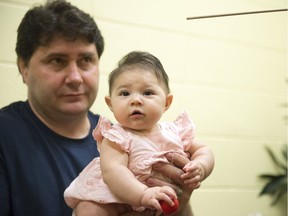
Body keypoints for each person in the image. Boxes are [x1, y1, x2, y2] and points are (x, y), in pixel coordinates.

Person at [0, 1, 201, 216]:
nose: (75, 78)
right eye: (57, 60)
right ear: (24, 67)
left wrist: (178, 201)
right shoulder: (6, 136)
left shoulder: (127, 136)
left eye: (86, 60)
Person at [64, 51, 215, 216]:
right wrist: (143, 194)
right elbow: (113, 171)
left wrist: (200, 166)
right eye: (125, 93)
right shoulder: (117, 137)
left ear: (166, 102)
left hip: (158, 201)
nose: (135, 100)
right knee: (89, 209)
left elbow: (203, 151)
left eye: (147, 93)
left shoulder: (175, 132)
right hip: (115, 198)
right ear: (111, 104)